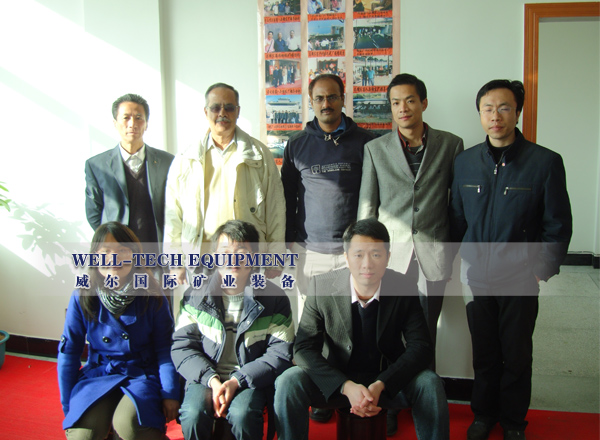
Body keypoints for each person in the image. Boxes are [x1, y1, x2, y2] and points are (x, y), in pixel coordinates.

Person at [449, 80, 572, 440]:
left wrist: (541, 270)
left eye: (504, 107)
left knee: (516, 355)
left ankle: (514, 422)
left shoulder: (544, 162)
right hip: (477, 276)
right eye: (488, 108)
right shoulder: (465, 162)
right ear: (480, 114)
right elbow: (457, 218)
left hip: (520, 276)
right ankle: (484, 415)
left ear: (517, 112)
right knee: (484, 352)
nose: (496, 116)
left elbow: (557, 224)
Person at [273, 219, 449, 440]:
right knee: (288, 381)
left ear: (388, 257)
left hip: (386, 383)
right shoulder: (321, 286)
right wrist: (345, 386)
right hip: (338, 382)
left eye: (376, 254)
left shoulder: (403, 286)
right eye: (358, 255)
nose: (367, 264)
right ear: (346, 257)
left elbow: (421, 346)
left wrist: (382, 384)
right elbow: (303, 349)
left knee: (430, 383)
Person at [358, 73, 463, 363]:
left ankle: (425, 387)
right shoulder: (375, 149)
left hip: (434, 253)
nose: (402, 108)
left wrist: (453, 249)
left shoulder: (451, 145)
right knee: (388, 330)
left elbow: (457, 206)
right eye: (395, 103)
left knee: (427, 332)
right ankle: (390, 389)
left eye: (409, 101)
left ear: (423, 103)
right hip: (390, 256)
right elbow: (367, 206)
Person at [171, 220, 295, 440]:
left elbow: (280, 352)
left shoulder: (275, 298)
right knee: (193, 413)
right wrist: (212, 380)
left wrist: (237, 380)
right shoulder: (195, 295)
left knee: (243, 414)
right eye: (225, 252)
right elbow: (182, 347)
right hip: (205, 376)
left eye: (242, 252)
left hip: (250, 378)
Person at [58, 222, 179, 440]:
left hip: (141, 374)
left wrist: (170, 393)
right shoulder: (82, 295)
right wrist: (69, 406)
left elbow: (165, 349)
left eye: (123, 250)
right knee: (82, 435)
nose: (114, 258)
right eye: (105, 251)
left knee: (129, 425)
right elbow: (69, 353)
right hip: (99, 373)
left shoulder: (152, 294)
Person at [164, 83, 285, 286]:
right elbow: (172, 215)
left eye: (229, 107)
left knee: (248, 306)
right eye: (215, 108)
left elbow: (275, 209)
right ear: (206, 112)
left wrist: (276, 255)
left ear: (238, 111)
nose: (222, 113)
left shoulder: (259, 155)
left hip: (246, 259)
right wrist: (175, 260)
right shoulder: (186, 158)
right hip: (202, 258)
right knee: (204, 306)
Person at [281, 74, 376, 326]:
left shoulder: (367, 142)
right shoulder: (297, 144)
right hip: (310, 252)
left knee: (356, 322)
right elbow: (287, 196)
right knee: (312, 324)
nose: (326, 104)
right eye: (319, 98)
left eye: (332, 97)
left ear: (343, 99)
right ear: (311, 101)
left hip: (354, 251)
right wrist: (288, 239)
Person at [85, 94, 174, 255]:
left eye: (139, 118)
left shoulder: (167, 162)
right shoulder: (96, 165)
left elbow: (176, 207)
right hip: (117, 254)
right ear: (115, 123)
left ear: (146, 123)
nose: (132, 124)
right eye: (126, 118)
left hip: (156, 251)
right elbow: (93, 212)